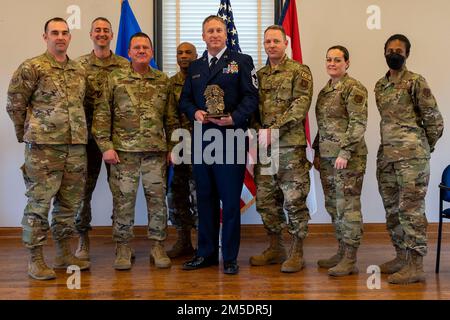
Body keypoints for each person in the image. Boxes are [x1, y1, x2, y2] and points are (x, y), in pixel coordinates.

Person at [6, 17, 90, 280]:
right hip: (43, 149)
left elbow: (81, 105)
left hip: (75, 148)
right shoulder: (32, 67)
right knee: (39, 203)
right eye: (54, 33)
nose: (60, 37)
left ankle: (64, 253)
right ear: (45, 37)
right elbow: (15, 104)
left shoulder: (78, 71)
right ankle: (35, 259)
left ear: (70, 37)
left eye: (65, 33)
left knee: (69, 204)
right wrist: (26, 134)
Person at [180, 15, 258, 275]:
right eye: (209, 31)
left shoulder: (241, 62)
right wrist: (195, 113)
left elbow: (251, 97)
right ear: (203, 36)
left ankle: (231, 257)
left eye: (218, 30)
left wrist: (235, 118)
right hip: (203, 142)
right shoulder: (195, 67)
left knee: (230, 201)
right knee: (205, 199)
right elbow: (185, 101)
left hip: (231, 139)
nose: (214, 35)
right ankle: (206, 254)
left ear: (226, 35)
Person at [92, 32, 177, 270]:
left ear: (151, 52)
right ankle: (123, 248)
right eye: (136, 47)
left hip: (155, 153)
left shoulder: (163, 80)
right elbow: (101, 115)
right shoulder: (115, 78)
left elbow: (171, 118)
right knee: (123, 202)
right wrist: (106, 147)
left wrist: (173, 148)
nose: (141, 51)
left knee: (158, 201)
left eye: (145, 48)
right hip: (123, 154)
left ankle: (158, 246)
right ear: (128, 52)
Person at [375, 34, 444, 284]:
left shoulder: (416, 82)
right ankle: (401, 257)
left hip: (412, 160)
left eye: (399, 50)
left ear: (407, 54)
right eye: (390, 49)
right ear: (384, 52)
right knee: (393, 210)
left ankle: (415, 265)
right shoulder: (379, 86)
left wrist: (423, 148)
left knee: (411, 211)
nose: (394, 53)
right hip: (387, 158)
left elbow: (434, 121)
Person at [249, 25, 313, 273]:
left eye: (276, 41)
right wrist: (256, 131)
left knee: (294, 200)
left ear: (286, 43)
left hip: (289, 147)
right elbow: (253, 109)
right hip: (265, 149)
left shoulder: (299, 71)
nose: (272, 45)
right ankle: (276, 248)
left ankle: (297, 252)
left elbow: (300, 105)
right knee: (266, 201)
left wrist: (273, 129)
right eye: (268, 42)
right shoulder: (260, 75)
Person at [75, 17, 129, 261]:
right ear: (90, 34)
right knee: (82, 192)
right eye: (97, 30)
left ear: (112, 35)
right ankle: (82, 240)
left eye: (106, 30)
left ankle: (121, 242)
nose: (102, 34)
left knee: (120, 192)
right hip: (84, 141)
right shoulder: (78, 66)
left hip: (115, 140)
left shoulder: (124, 65)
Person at [312, 45, 368, 276]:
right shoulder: (326, 91)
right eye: (328, 59)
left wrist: (344, 153)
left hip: (348, 159)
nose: (332, 63)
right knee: (334, 206)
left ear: (347, 63)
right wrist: (317, 151)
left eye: (337, 59)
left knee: (349, 208)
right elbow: (324, 126)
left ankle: (350, 259)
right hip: (327, 158)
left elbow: (358, 123)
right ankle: (342, 250)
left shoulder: (354, 88)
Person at [166, 42, 199, 258]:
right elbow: (169, 117)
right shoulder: (171, 84)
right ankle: (183, 241)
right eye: (180, 53)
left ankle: (205, 243)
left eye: (188, 52)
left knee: (201, 197)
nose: (184, 56)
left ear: (196, 55)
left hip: (205, 149)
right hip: (180, 148)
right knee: (177, 196)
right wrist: (173, 147)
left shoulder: (204, 79)